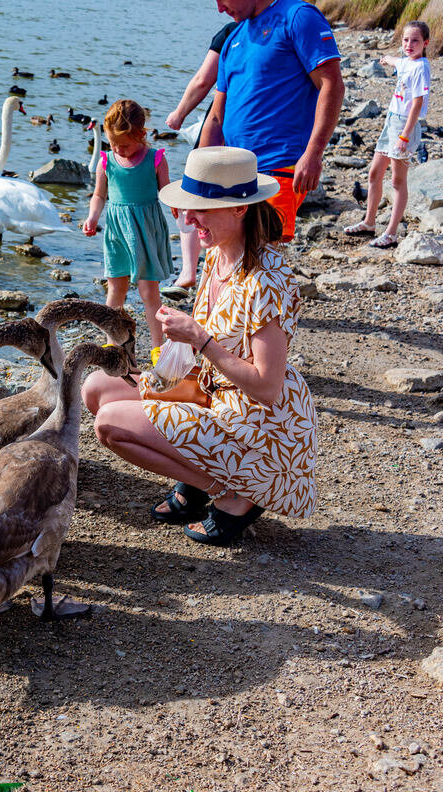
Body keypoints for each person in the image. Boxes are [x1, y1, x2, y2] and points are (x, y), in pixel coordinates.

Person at [84, 147, 317, 546]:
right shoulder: (218, 256)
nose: (188, 220)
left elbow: (266, 387)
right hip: (209, 390)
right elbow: (201, 347)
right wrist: (169, 362)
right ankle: (197, 478)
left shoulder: (267, 283)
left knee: (110, 425)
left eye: (200, 210)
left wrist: (200, 339)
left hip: (257, 422)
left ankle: (235, 495)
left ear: (239, 209)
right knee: (94, 389)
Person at [198, 0, 344, 243]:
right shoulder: (233, 37)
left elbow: (332, 85)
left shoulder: (298, 16)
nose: (220, 8)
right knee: (225, 259)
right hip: (233, 173)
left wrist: (313, 153)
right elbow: (215, 118)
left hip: (277, 168)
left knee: (262, 258)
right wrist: (197, 180)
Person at [82, 99, 173, 358]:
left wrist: (179, 207)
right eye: (113, 144)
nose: (118, 150)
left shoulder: (155, 159)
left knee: (149, 292)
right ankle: (112, 344)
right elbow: (100, 195)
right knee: (116, 289)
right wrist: (92, 217)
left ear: (142, 135)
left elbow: (165, 191)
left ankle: (159, 348)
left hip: (145, 231)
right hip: (117, 233)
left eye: (125, 145)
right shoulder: (106, 161)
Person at [163, 19, 240, 291]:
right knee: (241, 201)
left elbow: (203, 79)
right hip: (259, 130)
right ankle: (233, 269)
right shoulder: (279, 32)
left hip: (221, 123)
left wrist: (179, 113)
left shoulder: (231, 32)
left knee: (193, 195)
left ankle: (188, 272)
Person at [343, 21, 431, 248]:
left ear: (425, 43)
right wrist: (385, 59)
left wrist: (404, 135)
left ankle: (391, 233)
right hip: (390, 120)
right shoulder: (407, 62)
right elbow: (396, 61)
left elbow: (417, 104)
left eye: (415, 41)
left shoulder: (421, 67)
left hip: (404, 125)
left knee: (397, 181)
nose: (409, 45)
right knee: (374, 174)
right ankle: (369, 222)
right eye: (405, 40)